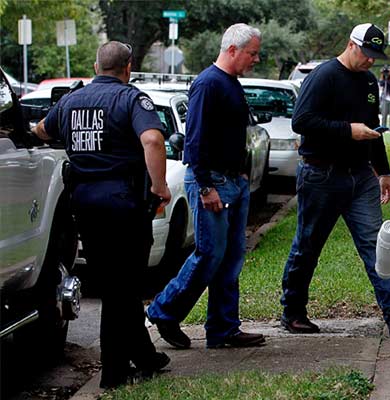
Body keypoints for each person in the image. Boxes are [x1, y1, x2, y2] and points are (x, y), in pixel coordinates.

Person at [33, 41, 173, 389]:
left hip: (84, 202)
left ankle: (145, 356)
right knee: (121, 290)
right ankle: (113, 374)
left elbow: (40, 131)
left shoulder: (69, 101)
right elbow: (153, 140)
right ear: (128, 67)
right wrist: (160, 187)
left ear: (97, 66)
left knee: (115, 284)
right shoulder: (130, 99)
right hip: (123, 203)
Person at [280, 23, 390, 338]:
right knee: (308, 245)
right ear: (351, 45)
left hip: (360, 176)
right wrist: (348, 130)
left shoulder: (367, 81)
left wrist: (384, 171)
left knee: (377, 244)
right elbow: (302, 121)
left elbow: (373, 129)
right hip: (321, 174)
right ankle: (293, 311)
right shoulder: (323, 76)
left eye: (375, 56)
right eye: (367, 54)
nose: (370, 61)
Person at [146, 23, 265, 350]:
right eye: (252, 53)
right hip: (211, 181)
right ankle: (164, 310)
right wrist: (206, 187)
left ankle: (224, 328)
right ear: (232, 50)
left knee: (230, 258)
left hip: (233, 180)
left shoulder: (231, 84)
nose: (255, 59)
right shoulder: (207, 84)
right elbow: (194, 140)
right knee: (209, 254)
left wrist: (241, 175)